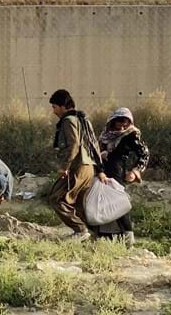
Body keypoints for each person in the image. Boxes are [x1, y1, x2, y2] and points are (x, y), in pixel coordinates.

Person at [48, 89, 102, 240]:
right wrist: (99, 168)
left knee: (56, 198)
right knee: (79, 203)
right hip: (89, 167)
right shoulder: (83, 120)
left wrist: (65, 166)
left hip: (77, 166)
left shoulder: (68, 121)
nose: (54, 111)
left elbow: (74, 145)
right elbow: (94, 145)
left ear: (63, 106)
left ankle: (80, 230)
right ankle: (93, 235)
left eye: (54, 107)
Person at [94, 107, 150, 244]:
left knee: (118, 204)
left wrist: (135, 171)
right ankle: (106, 237)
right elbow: (97, 152)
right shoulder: (106, 135)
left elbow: (144, 153)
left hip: (117, 173)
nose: (122, 125)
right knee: (103, 204)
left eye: (125, 122)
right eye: (119, 122)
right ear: (112, 122)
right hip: (102, 172)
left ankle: (128, 236)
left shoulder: (131, 135)